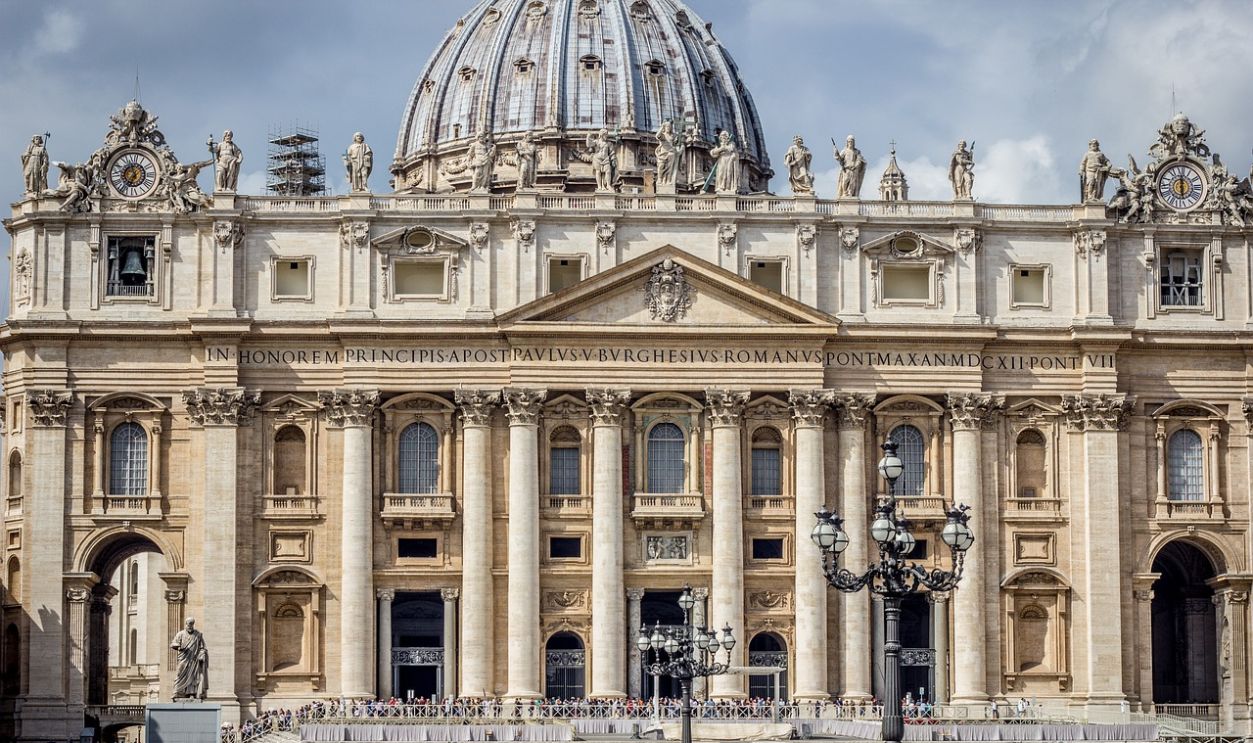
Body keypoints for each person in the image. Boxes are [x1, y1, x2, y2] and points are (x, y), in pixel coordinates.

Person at [170, 617, 208, 700]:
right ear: (186, 624)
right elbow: (173, 644)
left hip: (194, 660)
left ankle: (191, 693)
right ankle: (177, 692)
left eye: (192, 624)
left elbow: (202, 647)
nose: (190, 626)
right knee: (179, 674)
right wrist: (179, 646)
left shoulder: (198, 635)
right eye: (189, 624)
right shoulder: (180, 634)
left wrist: (202, 654)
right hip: (184, 659)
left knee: (193, 677)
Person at [709, 130, 742, 195]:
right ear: (720, 138)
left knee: (728, 174)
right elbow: (713, 153)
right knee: (721, 173)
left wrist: (725, 148)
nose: (723, 137)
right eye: (722, 136)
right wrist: (720, 149)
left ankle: (727, 187)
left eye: (725, 136)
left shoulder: (731, 143)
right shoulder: (720, 145)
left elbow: (732, 149)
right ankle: (721, 187)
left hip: (729, 161)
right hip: (722, 161)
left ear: (727, 137)